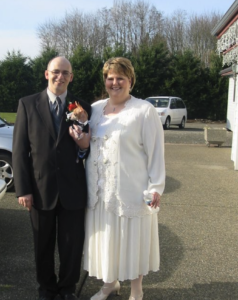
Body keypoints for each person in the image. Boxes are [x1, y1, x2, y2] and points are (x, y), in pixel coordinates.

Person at [83, 57, 165, 300]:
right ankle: (110, 285)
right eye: (110, 78)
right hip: (99, 190)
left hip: (131, 189)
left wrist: (155, 187)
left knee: (132, 241)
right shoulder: (95, 109)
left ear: (130, 80)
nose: (115, 82)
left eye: (120, 78)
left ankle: (136, 291)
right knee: (108, 239)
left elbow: (156, 151)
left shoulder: (143, 110)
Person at [12, 56, 91, 300]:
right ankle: (46, 288)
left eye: (65, 73)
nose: (60, 76)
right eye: (56, 72)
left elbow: (88, 148)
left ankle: (67, 288)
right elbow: (19, 150)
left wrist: (82, 145)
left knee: (71, 245)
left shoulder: (81, 106)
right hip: (39, 189)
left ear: (71, 76)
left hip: (73, 189)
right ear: (47, 74)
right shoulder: (27, 104)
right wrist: (23, 189)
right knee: (42, 245)